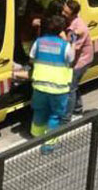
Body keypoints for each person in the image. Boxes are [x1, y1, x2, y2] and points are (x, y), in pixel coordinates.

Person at [28, 13, 74, 152]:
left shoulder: (38, 42)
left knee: (39, 112)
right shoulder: (65, 46)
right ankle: (48, 146)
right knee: (55, 116)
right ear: (61, 30)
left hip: (40, 86)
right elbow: (71, 62)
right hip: (58, 89)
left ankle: (35, 139)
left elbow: (31, 60)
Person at [64, 0, 93, 116]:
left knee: (71, 87)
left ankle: (69, 114)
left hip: (81, 61)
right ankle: (77, 107)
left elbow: (73, 48)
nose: (63, 14)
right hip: (78, 59)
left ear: (73, 13)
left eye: (66, 13)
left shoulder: (79, 29)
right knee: (74, 86)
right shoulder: (72, 22)